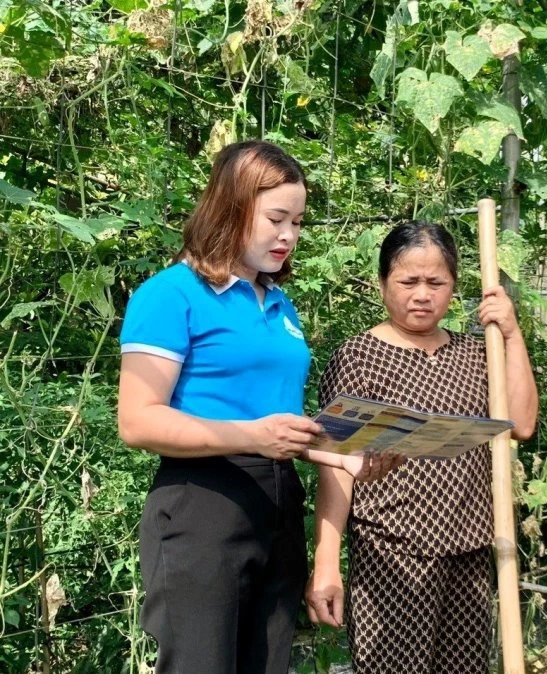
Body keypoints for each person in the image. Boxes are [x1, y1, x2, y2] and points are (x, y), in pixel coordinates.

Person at [117, 140, 398, 674]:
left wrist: (342, 458)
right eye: (276, 218)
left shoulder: (279, 304)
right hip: (203, 504)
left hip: (278, 504)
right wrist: (249, 437)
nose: (289, 235)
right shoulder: (171, 294)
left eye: (297, 221)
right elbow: (137, 420)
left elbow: (279, 425)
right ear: (231, 205)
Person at [305, 221, 538, 674]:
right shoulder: (357, 357)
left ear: (453, 287)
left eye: (436, 282)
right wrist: (327, 562)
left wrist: (510, 334)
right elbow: (335, 466)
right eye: (408, 281)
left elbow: (523, 424)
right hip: (390, 559)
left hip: (469, 555)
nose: (422, 294)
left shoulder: (477, 353)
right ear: (382, 284)